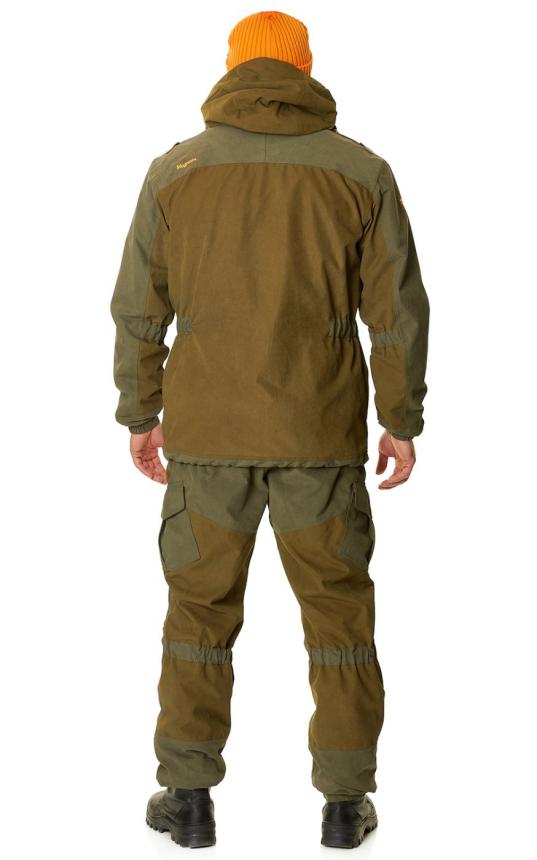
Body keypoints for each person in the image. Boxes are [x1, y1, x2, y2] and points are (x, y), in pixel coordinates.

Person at [111, 9, 429, 850]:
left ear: (232, 67)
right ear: (303, 69)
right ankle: (343, 805)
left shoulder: (176, 171)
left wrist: (141, 411)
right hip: (318, 437)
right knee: (337, 616)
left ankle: (186, 797)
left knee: (198, 612)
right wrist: (399, 419)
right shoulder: (358, 171)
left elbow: (140, 307)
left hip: (206, 436)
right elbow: (395, 313)